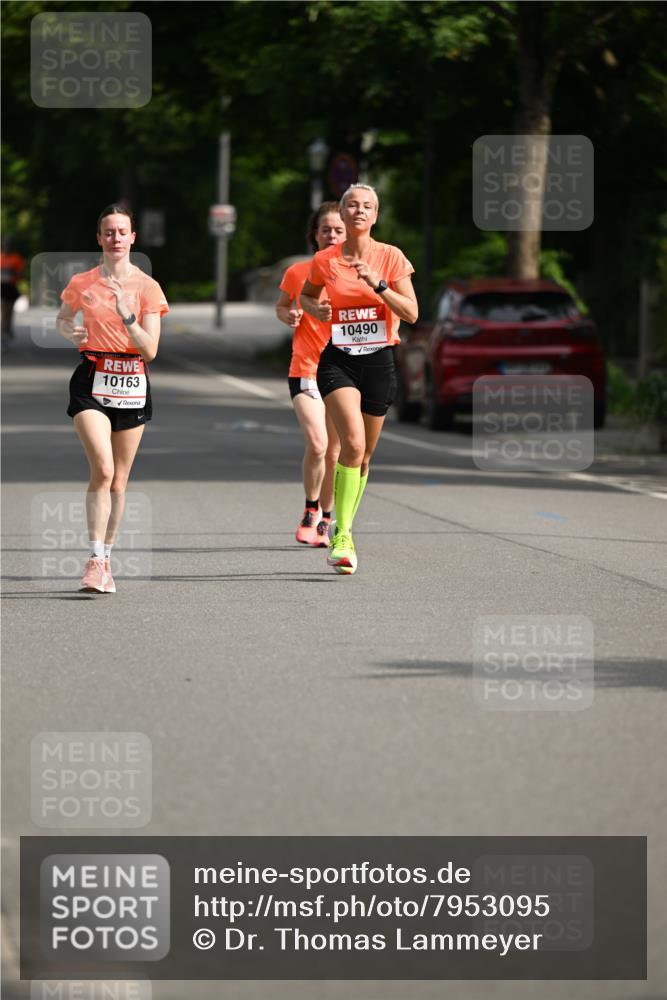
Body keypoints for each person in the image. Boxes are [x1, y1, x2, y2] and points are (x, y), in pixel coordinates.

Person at [300, 184, 418, 574]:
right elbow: (306, 296)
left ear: (375, 216)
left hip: (380, 360)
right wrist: (315, 310)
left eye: (367, 206)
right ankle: (343, 533)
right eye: (352, 205)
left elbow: (413, 313)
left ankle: (342, 524)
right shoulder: (326, 259)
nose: (359, 211)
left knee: (364, 456)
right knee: (350, 443)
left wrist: (378, 285)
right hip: (339, 361)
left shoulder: (391, 257)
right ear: (344, 213)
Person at [56, 204, 169, 593]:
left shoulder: (147, 288)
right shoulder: (83, 282)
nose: (116, 238)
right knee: (102, 470)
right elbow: (62, 317)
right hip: (91, 379)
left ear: (132, 238)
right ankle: (93, 559)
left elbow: (151, 350)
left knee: (119, 482)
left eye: (122, 232)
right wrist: (70, 333)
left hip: (133, 383)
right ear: (99, 238)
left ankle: (106, 558)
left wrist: (128, 317)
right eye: (109, 232)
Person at [276, 202, 344, 546]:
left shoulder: (356, 274)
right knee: (317, 444)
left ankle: (327, 516)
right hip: (305, 368)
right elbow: (283, 305)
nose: (332, 235)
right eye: (325, 230)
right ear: (314, 235)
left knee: (334, 451)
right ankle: (310, 507)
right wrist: (288, 315)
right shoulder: (298, 272)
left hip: (344, 372)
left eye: (338, 229)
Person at [1, 237, 26, 344]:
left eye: (9, 244)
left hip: (11, 287)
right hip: (2, 286)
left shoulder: (16, 258)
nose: (7, 246)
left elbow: (21, 274)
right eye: (6, 244)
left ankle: (7, 328)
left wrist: (13, 272)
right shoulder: (0, 257)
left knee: (9, 310)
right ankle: (4, 330)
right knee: (4, 310)